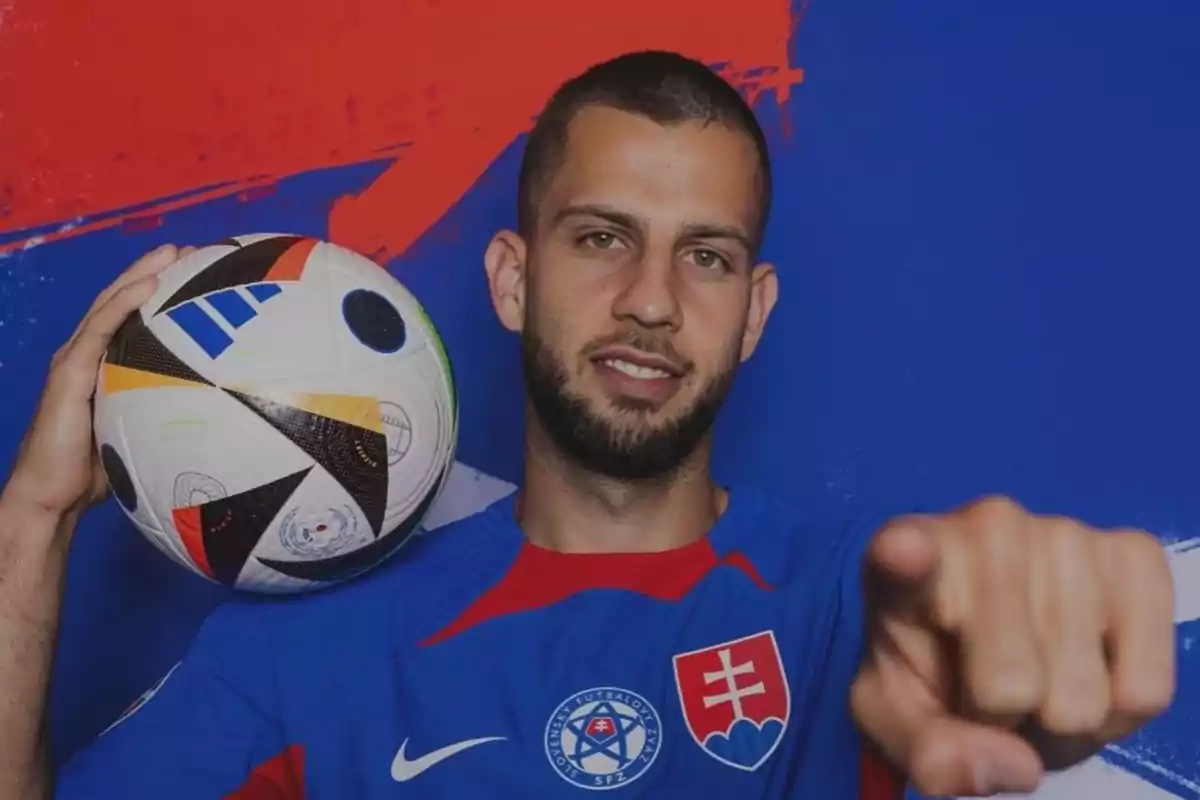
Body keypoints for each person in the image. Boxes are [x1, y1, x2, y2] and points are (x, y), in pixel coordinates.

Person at [0, 50, 1176, 800]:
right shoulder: (310, 648)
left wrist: (1023, 648)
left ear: (754, 312)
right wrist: (36, 517)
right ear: (510, 279)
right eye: (603, 237)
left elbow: (966, 642)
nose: (653, 300)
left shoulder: (849, 607)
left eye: (705, 256)